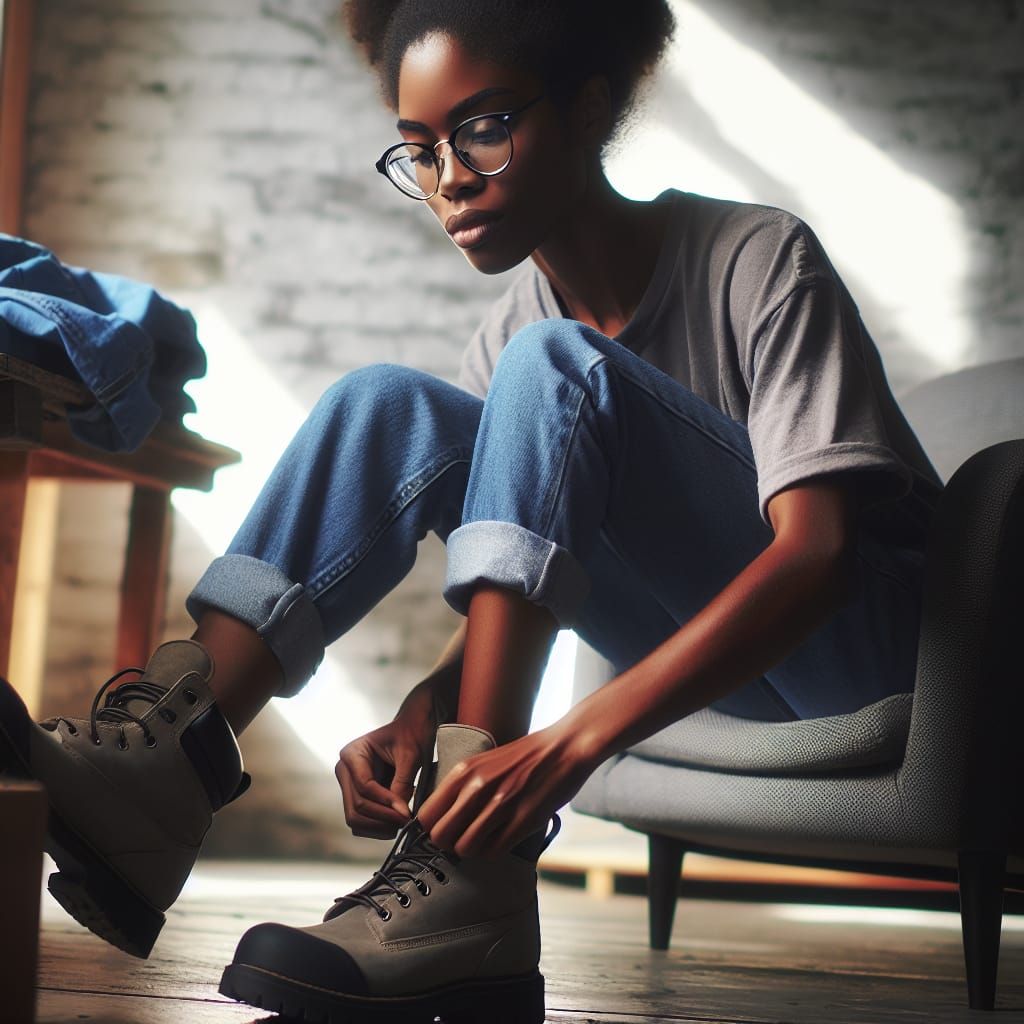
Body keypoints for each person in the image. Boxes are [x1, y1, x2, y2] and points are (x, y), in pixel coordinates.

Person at [0, 0, 946, 1021]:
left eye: (484, 128)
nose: (450, 178)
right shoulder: (515, 333)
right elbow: (522, 575)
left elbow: (818, 556)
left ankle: (473, 867)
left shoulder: (755, 257)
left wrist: (566, 745)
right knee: (384, 404)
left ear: (588, 110)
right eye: (420, 149)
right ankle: (170, 762)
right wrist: (424, 709)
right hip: (712, 660)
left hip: (880, 660)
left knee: (554, 368)